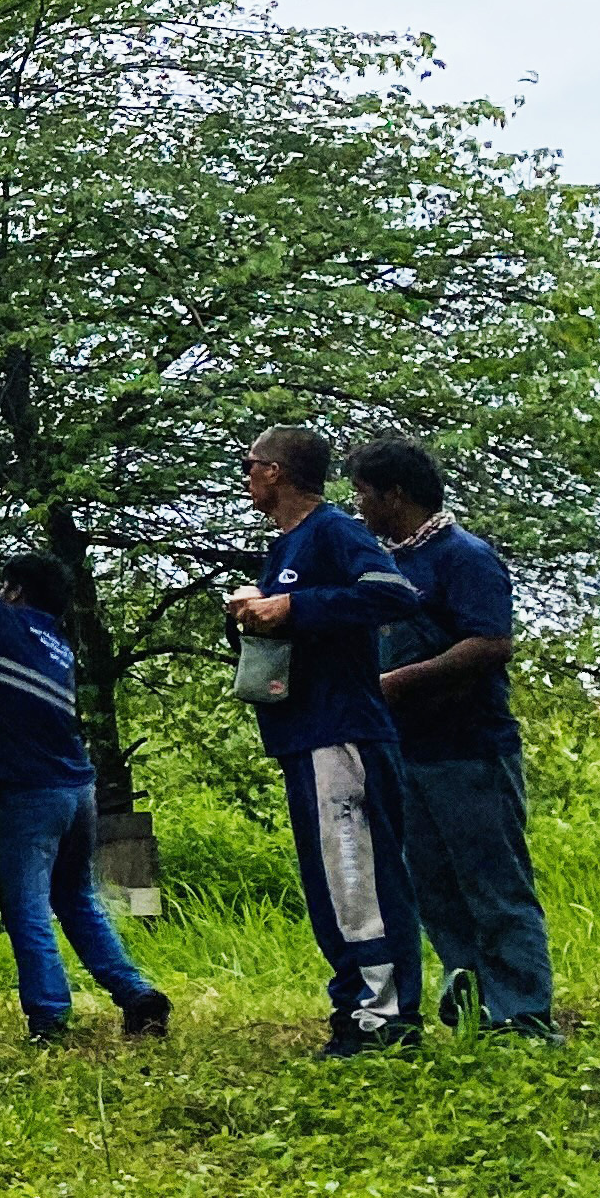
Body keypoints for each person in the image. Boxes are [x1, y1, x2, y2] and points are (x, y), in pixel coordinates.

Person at [0, 469, 170, 1044]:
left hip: (31, 799)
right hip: (78, 794)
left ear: (16, 592)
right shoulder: (53, 647)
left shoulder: (7, 623)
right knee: (77, 900)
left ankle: (48, 1018)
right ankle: (136, 995)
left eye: (5, 587)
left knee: (27, 910)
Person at [225, 424, 424, 1055]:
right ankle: (356, 1009)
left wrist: (292, 607)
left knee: (354, 874)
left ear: (277, 472)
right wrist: (255, 609)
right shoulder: (284, 544)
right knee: (329, 879)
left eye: (251, 463)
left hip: (342, 734)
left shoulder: (333, 530)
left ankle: (384, 1018)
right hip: (302, 733)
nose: (246, 474)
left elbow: (395, 593)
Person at [348, 438, 556, 1036]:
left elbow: (490, 643)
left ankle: (524, 1012)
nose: (360, 506)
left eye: (365, 494)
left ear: (395, 496)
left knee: (495, 886)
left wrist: (398, 682)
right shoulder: (391, 566)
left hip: (471, 752)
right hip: (409, 752)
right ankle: (471, 1001)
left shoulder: (465, 557)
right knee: (435, 891)